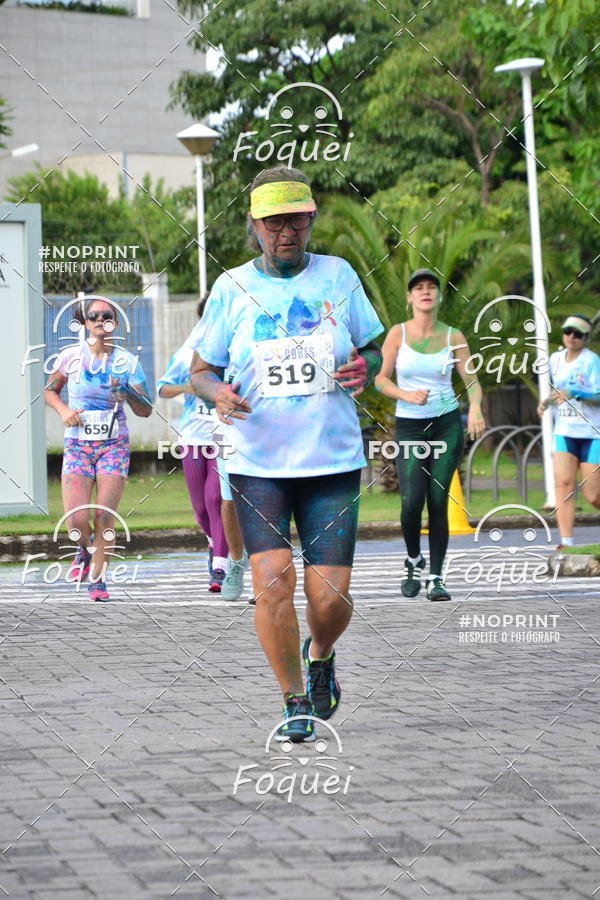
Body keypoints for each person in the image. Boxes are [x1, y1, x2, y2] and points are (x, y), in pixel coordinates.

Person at [187, 166, 383, 742]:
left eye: (295, 219)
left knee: (330, 598)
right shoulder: (231, 287)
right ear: (255, 225)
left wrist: (365, 367)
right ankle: (294, 699)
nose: (285, 231)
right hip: (258, 462)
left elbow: (371, 346)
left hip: (331, 460)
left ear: (310, 218)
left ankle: (321, 653)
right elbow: (200, 371)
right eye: (273, 221)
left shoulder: (339, 275)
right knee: (272, 581)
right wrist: (216, 392)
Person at [375, 269, 486, 601]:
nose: (425, 292)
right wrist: (405, 395)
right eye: (418, 288)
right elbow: (381, 379)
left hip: (446, 424)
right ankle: (413, 560)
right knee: (411, 503)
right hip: (409, 425)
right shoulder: (398, 334)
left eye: (431, 288)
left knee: (438, 501)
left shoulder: (455, 336)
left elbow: (472, 381)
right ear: (410, 298)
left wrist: (476, 408)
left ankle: (436, 577)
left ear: (438, 297)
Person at [44, 296, 152, 601]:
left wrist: (128, 391)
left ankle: (98, 579)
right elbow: (50, 392)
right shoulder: (69, 357)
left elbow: (145, 410)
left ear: (114, 323)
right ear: (84, 323)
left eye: (108, 315)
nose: (101, 320)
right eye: (94, 316)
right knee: (76, 519)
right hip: (78, 445)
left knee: (104, 515)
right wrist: (65, 411)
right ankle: (84, 549)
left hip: (113, 446)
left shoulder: (127, 362)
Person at [157, 297, 231, 592]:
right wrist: (192, 385)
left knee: (218, 499)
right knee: (200, 507)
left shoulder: (235, 350)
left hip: (226, 436)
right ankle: (214, 543)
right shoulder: (188, 353)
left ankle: (221, 566)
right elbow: (163, 388)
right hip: (193, 437)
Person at [537, 314, 600, 549]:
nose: (572, 337)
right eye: (568, 332)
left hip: (592, 434)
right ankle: (566, 542)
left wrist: (578, 393)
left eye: (578, 334)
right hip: (564, 432)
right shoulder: (555, 359)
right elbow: (559, 394)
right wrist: (547, 402)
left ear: (586, 337)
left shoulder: (592, 361)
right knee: (563, 485)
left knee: (593, 496)